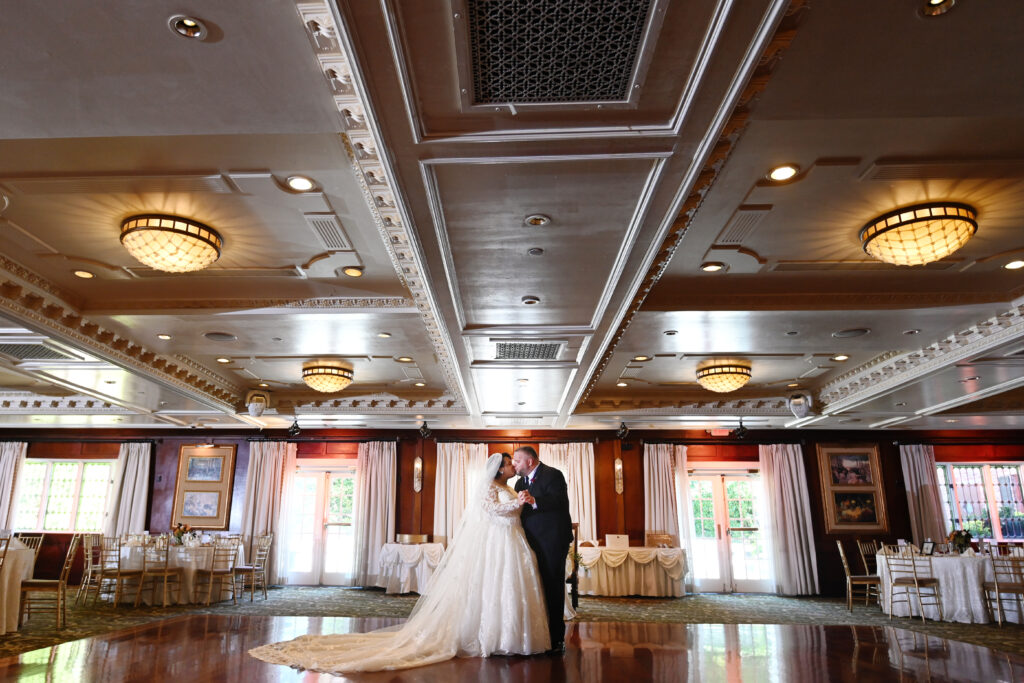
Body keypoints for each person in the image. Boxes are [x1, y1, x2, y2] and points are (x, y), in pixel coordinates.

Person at [248, 452, 550, 674]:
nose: (513, 467)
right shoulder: (489, 488)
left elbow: (509, 510)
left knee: (505, 589)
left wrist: (519, 501)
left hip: (510, 542)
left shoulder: (510, 487)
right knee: (493, 586)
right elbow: (491, 511)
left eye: (513, 463)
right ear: (499, 469)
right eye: (509, 463)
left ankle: (509, 636)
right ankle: (490, 637)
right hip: (497, 543)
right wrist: (518, 502)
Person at [512, 446, 573, 653]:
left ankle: (556, 639)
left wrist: (535, 500)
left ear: (529, 461)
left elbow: (559, 501)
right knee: (533, 587)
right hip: (529, 543)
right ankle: (537, 636)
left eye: (517, 460)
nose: (514, 464)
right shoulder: (519, 483)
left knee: (553, 586)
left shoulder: (553, 475)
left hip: (552, 541)